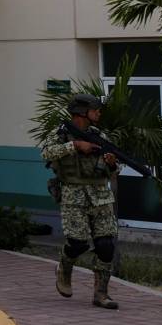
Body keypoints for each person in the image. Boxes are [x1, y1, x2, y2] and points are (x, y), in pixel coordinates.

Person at [43, 95, 122, 310]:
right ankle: (64, 268)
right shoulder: (61, 134)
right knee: (77, 243)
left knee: (106, 245)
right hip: (73, 194)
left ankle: (101, 293)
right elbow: (46, 153)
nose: (99, 113)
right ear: (81, 112)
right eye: (95, 109)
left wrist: (112, 164)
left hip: (100, 195)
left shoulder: (99, 136)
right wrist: (75, 145)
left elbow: (115, 170)